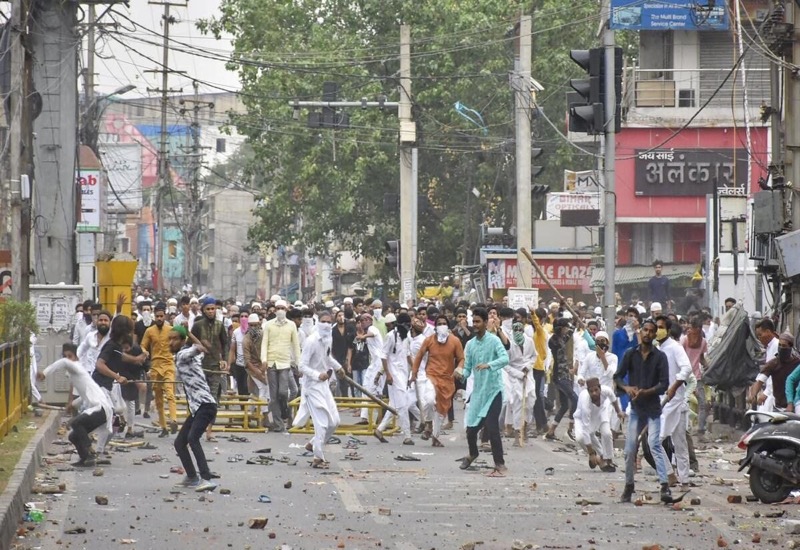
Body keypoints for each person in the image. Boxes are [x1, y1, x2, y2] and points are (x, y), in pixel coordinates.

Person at [615, 319, 671, 503]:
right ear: (641, 333)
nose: (647, 333)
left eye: (650, 331)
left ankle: (665, 486)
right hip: (637, 409)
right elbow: (618, 377)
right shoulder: (631, 354)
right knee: (630, 448)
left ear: (655, 335)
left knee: (654, 444)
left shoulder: (660, 357)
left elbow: (664, 384)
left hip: (653, 408)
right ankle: (629, 485)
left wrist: (646, 391)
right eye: (644, 330)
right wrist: (627, 388)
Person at [38, 343, 113, 467]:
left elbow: (63, 362)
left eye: (70, 356)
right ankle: (85, 459)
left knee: (76, 423)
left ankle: (90, 453)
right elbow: (85, 397)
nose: (68, 359)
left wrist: (45, 373)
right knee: (73, 436)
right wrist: (72, 404)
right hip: (98, 410)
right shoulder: (76, 375)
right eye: (65, 356)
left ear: (76, 357)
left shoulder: (77, 367)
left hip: (101, 409)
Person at [457, 308, 509, 478]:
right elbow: (467, 368)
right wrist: (459, 374)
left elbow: (505, 358)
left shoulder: (494, 341)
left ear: (486, 323)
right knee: (471, 430)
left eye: (478, 322)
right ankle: (473, 454)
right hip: (479, 392)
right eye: (474, 322)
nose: (475, 325)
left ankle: (500, 464)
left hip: (494, 391)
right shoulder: (470, 344)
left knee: (492, 427)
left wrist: (489, 365)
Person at [169, 325, 218, 492]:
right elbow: (200, 351)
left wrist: (197, 346)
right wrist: (193, 338)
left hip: (205, 404)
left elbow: (194, 350)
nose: (171, 342)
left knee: (193, 439)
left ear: (182, 341)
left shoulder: (183, 355)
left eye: (175, 339)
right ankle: (191, 477)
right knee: (179, 443)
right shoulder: (193, 358)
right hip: (198, 407)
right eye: (169, 339)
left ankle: (206, 478)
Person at [293, 310, 343, 468]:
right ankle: (318, 457)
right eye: (323, 321)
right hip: (312, 386)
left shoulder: (329, 339)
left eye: (329, 322)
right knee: (321, 423)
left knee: (334, 422)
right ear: (318, 322)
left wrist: (338, 367)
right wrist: (317, 375)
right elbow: (302, 366)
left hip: (324, 385)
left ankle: (313, 443)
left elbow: (328, 357)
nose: (327, 324)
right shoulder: (311, 341)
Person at [410, 314, 465, 447]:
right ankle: (428, 423)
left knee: (442, 409)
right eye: (439, 324)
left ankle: (435, 436)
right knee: (428, 400)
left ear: (448, 326)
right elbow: (419, 357)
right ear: (435, 327)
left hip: (447, 379)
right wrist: (414, 373)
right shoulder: (429, 340)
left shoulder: (455, 341)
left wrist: (459, 368)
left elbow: (461, 358)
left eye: (443, 323)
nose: (441, 326)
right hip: (431, 376)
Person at [92, 315, 148, 439]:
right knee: (108, 416)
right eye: (130, 329)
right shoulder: (111, 345)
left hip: (106, 385)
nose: (131, 332)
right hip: (100, 384)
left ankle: (97, 448)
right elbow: (100, 365)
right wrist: (117, 377)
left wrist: (137, 359)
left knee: (114, 413)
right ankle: (87, 438)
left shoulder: (116, 346)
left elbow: (121, 356)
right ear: (124, 331)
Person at [656, 316, 692, 488]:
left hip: (677, 401)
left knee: (680, 443)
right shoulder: (656, 349)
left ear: (668, 330)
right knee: (656, 440)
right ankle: (669, 473)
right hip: (662, 403)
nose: (657, 330)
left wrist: (675, 385)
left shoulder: (675, 348)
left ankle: (684, 479)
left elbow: (687, 368)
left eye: (661, 327)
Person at [375, 313, 418, 445]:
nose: (408, 328)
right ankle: (407, 435)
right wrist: (387, 374)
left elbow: (408, 355)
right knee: (403, 405)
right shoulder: (390, 336)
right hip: (394, 376)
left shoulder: (407, 338)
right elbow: (383, 356)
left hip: (403, 374)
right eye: (406, 325)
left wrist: (415, 371)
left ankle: (379, 429)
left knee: (395, 405)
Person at [260, 299, 301, 432]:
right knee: (273, 396)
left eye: (282, 308)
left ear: (286, 309)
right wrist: (264, 359)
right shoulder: (269, 325)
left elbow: (295, 345)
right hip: (271, 362)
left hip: (285, 362)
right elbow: (264, 343)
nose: (280, 311)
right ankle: (278, 424)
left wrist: (298, 364)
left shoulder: (291, 325)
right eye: (277, 308)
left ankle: (285, 412)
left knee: (283, 393)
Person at [192, 297, 229, 441]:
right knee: (199, 399)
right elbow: (190, 344)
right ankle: (196, 430)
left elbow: (225, 343)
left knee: (213, 400)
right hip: (200, 367)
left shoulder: (220, 325)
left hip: (215, 366)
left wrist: (224, 360)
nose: (211, 311)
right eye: (208, 309)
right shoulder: (198, 325)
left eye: (213, 308)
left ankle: (209, 431)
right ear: (203, 310)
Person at [141, 302, 179, 437]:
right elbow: (143, 345)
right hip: (155, 366)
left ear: (165, 316)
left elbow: (180, 342)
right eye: (157, 316)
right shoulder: (149, 331)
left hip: (168, 364)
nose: (159, 319)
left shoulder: (171, 329)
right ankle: (163, 427)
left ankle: (173, 420)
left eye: (161, 316)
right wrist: (144, 352)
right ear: (154, 316)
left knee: (170, 392)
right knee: (158, 399)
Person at [574, 378, 624, 472]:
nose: (594, 393)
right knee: (581, 438)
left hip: (601, 412)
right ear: (588, 391)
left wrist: (618, 412)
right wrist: (591, 453)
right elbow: (585, 429)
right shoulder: (585, 403)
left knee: (607, 433)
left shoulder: (606, 390)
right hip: (581, 418)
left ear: (600, 388)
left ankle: (608, 459)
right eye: (591, 391)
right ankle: (598, 455)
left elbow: (613, 399)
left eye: (596, 390)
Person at [545, 318, 578, 441]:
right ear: (560, 328)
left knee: (564, 405)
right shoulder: (554, 341)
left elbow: (571, 331)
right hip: (559, 375)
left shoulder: (562, 339)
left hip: (564, 375)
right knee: (575, 399)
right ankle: (570, 428)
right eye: (564, 328)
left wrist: (574, 322)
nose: (566, 330)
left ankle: (551, 431)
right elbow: (564, 336)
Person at [504, 321, 536, 446]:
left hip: (528, 375)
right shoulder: (509, 344)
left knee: (530, 403)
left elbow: (534, 356)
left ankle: (525, 427)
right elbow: (505, 364)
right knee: (518, 404)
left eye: (520, 331)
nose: (518, 333)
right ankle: (517, 434)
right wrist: (518, 374)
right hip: (515, 376)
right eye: (515, 330)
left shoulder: (529, 341)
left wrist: (528, 366)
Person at [751, 331, 800, 411]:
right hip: (778, 407)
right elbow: (760, 380)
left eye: (784, 346)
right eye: (779, 345)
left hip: (795, 408)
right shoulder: (773, 363)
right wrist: (753, 395)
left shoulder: (797, 363)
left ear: (790, 347)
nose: (781, 348)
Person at [356, 313, 385, 425]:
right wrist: (361, 336)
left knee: (376, 390)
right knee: (366, 388)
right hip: (373, 363)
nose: (362, 323)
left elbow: (372, 334)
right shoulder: (365, 332)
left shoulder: (372, 328)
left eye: (363, 320)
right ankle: (365, 418)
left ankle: (379, 418)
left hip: (379, 364)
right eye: (360, 321)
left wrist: (363, 336)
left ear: (369, 320)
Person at [681, 317, 709, 435]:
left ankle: (701, 428)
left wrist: (707, 366)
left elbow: (701, 357)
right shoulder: (684, 340)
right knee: (684, 402)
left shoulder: (703, 342)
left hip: (697, 376)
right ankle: (685, 427)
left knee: (703, 403)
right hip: (684, 377)